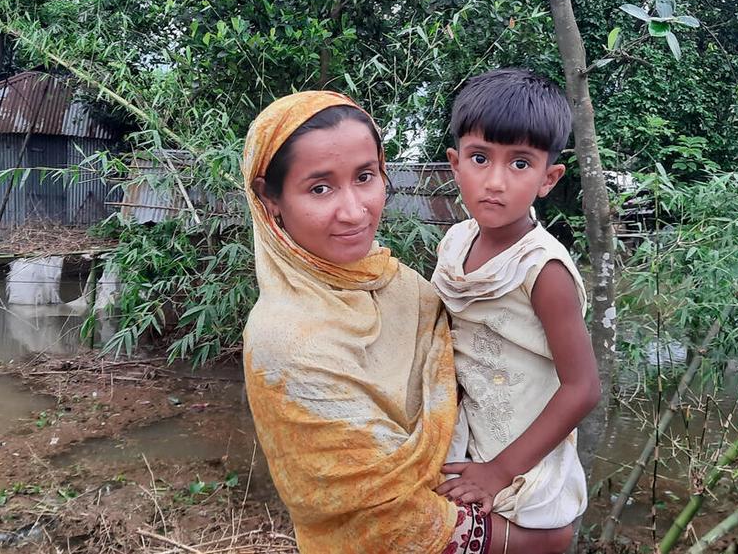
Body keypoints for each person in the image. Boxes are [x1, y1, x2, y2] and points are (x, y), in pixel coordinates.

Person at [242, 90, 573, 554]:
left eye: (365, 176)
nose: (355, 211)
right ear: (269, 199)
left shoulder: (401, 285)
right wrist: (540, 541)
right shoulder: (286, 343)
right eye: (320, 187)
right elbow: (384, 518)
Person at [431, 68, 602, 532]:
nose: (495, 181)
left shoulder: (543, 270)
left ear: (549, 178)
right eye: (480, 158)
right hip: (467, 434)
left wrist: (500, 471)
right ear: (455, 163)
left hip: (519, 457)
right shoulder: (455, 241)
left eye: (520, 164)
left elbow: (583, 388)